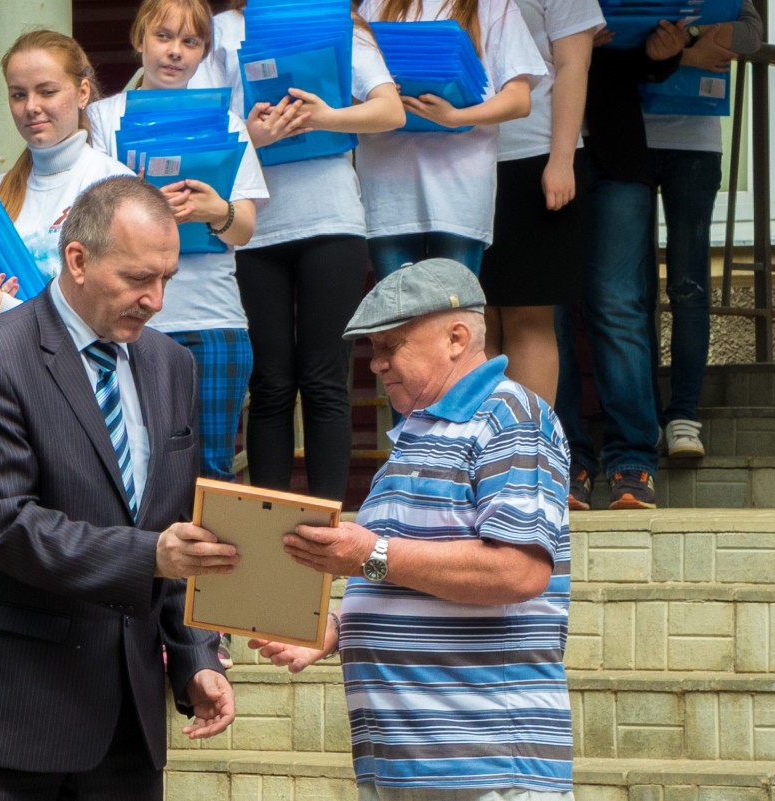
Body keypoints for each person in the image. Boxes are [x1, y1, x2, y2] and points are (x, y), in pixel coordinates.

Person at [0, 176, 239, 800]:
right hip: (1, 723)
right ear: (78, 260)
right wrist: (153, 555)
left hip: (125, 731)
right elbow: (6, 525)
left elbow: (176, 526)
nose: (155, 300)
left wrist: (195, 656)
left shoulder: (173, 364)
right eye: (138, 278)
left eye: (166, 279)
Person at [251, 258, 573, 801]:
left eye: (391, 345)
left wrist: (370, 554)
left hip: (485, 765)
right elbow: (401, 574)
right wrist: (337, 627)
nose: (376, 363)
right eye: (372, 348)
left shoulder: (511, 416)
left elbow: (519, 572)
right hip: (407, 765)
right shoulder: (417, 434)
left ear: (456, 338)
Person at [189, 0, 405, 501]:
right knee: (270, 383)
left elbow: (390, 109)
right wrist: (252, 135)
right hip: (254, 231)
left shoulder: (338, 19)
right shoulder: (223, 30)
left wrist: (328, 117)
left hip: (332, 221)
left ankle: (327, 524)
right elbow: (203, 125)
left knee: (326, 379)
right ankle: (271, 524)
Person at [87, 0, 269, 483]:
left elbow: (245, 229)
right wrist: (145, 207)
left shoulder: (227, 120)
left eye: (190, 42)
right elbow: (89, 218)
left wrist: (216, 210)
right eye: (163, 37)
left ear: (204, 51)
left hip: (214, 319)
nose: (175, 52)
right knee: (135, 472)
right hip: (130, 317)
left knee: (212, 473)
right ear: (139, 39)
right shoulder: (102, 117)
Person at [0, 29, 133, 345]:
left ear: (83, 92)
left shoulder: (118, 187)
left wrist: (6, 312)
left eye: (47, 92)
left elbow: (122, 312)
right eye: (18, 95)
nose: (31, 106)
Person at [555, 20, 687, 510]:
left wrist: (661, 52)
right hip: (533, 154)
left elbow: (637, 63)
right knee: (547, 314)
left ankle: (633, 461)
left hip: (615, 152)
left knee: (618, 307)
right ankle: (565, 458)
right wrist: (564, 42)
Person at [644, 0, 764, 457]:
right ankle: (643, 417)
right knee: (630, 293)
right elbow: (604, 42)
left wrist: (683, 40)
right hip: (624, 138)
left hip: (695, 142)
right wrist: (691, 53)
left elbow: (751, 32)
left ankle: (683, 416)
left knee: (690, 284)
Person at [356, 0, 547, 278]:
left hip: (460, 188)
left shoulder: (494, 7)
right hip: (388, 189)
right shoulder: (376, 5)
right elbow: (350, 91)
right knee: (396, 303)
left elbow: (518, 99)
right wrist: (382, 97)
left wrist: (455, 117)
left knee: (455, 302)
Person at [480, 0, 602, 405]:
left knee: (527, 314)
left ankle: (526, 443)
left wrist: (561, 159)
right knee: (474, 315)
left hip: (533, 154)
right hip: (456, 158)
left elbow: (573, 65)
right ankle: (477, 441)